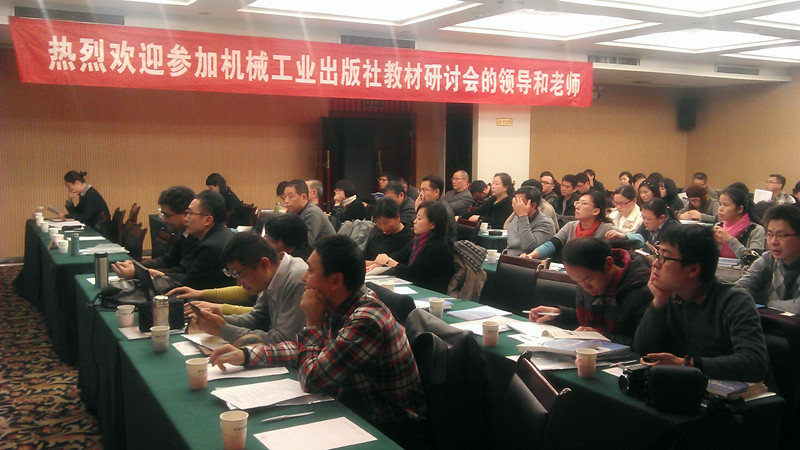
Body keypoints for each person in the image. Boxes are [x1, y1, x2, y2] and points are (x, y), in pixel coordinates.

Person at [209, 235, 427, 441]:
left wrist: (312, 323)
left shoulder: (367, 320)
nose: (304, 277)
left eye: (310, 271)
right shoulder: (340, 304)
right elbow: (302, 348)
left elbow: (312, 379)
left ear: (335, 281)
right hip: (355, 413)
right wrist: (246, 355)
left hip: (390, 431)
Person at [633, 225, 768, 382]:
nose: (655, 264)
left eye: (665, 258)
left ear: (693, 270)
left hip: (726, 390)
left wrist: (687, 364)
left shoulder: (734, 301)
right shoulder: (669, 295)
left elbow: (754, 363)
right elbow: (643, 350)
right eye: (658, 254)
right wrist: (658, 302)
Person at [173, 232, 307, 345]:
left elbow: (284, 341)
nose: (238, 283)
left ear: (264, 264)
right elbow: (257, 318)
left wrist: (223, 330)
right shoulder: (272, 276)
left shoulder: (298, 279)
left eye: (240, 274)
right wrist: (221, 319)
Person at [529, 238, 652, 345]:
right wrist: (560, 314)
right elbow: (591, 324)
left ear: (608, 264)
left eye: (588, 280)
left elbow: (643, 344)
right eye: (577, 282)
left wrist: (601, 337)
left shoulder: (641, 291)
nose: (584, 287)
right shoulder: (587, 280)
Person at [115, 190, 234, 290]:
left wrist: (140, 272)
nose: (186, 219)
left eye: (190, 213)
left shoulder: (211, 246)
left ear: (207, 220)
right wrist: (139, 267)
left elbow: (187, 282)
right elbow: (171, 262)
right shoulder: (210, 236)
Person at [524, 191, 639, 260]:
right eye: (577, 202)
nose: (577, 207)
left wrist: (623, 236)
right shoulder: (571, 226)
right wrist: (532, 255)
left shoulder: (606, 228)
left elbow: (640, 239)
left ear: (596, 211)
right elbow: (552, 244)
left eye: (583, 204)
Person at [371, 201, 455, 294]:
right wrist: (380, 263)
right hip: (415, 288)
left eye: (419, 218)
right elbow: (400, 255)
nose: (414, 221)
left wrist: (388, 261)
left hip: (431, 293)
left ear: (433, 224)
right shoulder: (419, 240)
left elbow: (412, 274)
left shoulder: (439, 246)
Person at [737, 206, 800, 314]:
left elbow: (798, 307)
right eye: (770, 235)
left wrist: (764, 303)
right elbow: (738, 290)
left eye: (781, 235)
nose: (773, 242)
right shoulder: (767, 260)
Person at [141, 186, 197, 274]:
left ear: (186, 214)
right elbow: (168, 260)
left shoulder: (197, 238)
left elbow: (183, 272)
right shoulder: (182, 234)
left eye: (167, 215)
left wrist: (142, 272)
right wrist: (138, 265)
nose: (164, 220)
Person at [713, 187, 765, 260]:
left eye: (725, 205)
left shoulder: (755, 230)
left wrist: (730, 240)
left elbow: (754, 259)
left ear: (740, 209)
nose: (720, 209)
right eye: (720, 204)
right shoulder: (719, 226)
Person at [504, 186, 556, 257]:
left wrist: (523, 217)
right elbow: (511, 246)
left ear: (533, 205)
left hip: (530, 260)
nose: (514, 206)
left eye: (519, 203)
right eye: (514, 202)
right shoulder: (516, 218)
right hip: (510, 258)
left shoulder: (546, 223)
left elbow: (529, 246)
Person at [283, 178, 335, 247]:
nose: (286, 200)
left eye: (290, 197)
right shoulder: (291, 212)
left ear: (303, 197)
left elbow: (306, 244)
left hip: (326, 251)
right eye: (284, 197)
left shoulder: (312, 212)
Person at [364, 198, 414, 263]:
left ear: (397, 217)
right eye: (378, 223)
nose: (383, 227)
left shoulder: (408, 238)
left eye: (386, 223)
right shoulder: (376, 231)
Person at [415, 175, 457, 242]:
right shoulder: (430, 206)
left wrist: (418, 210)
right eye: (420, 190)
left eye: (424, 190)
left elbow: (422, 232)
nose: (420, 194)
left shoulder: (441, 210)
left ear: (436, 192)